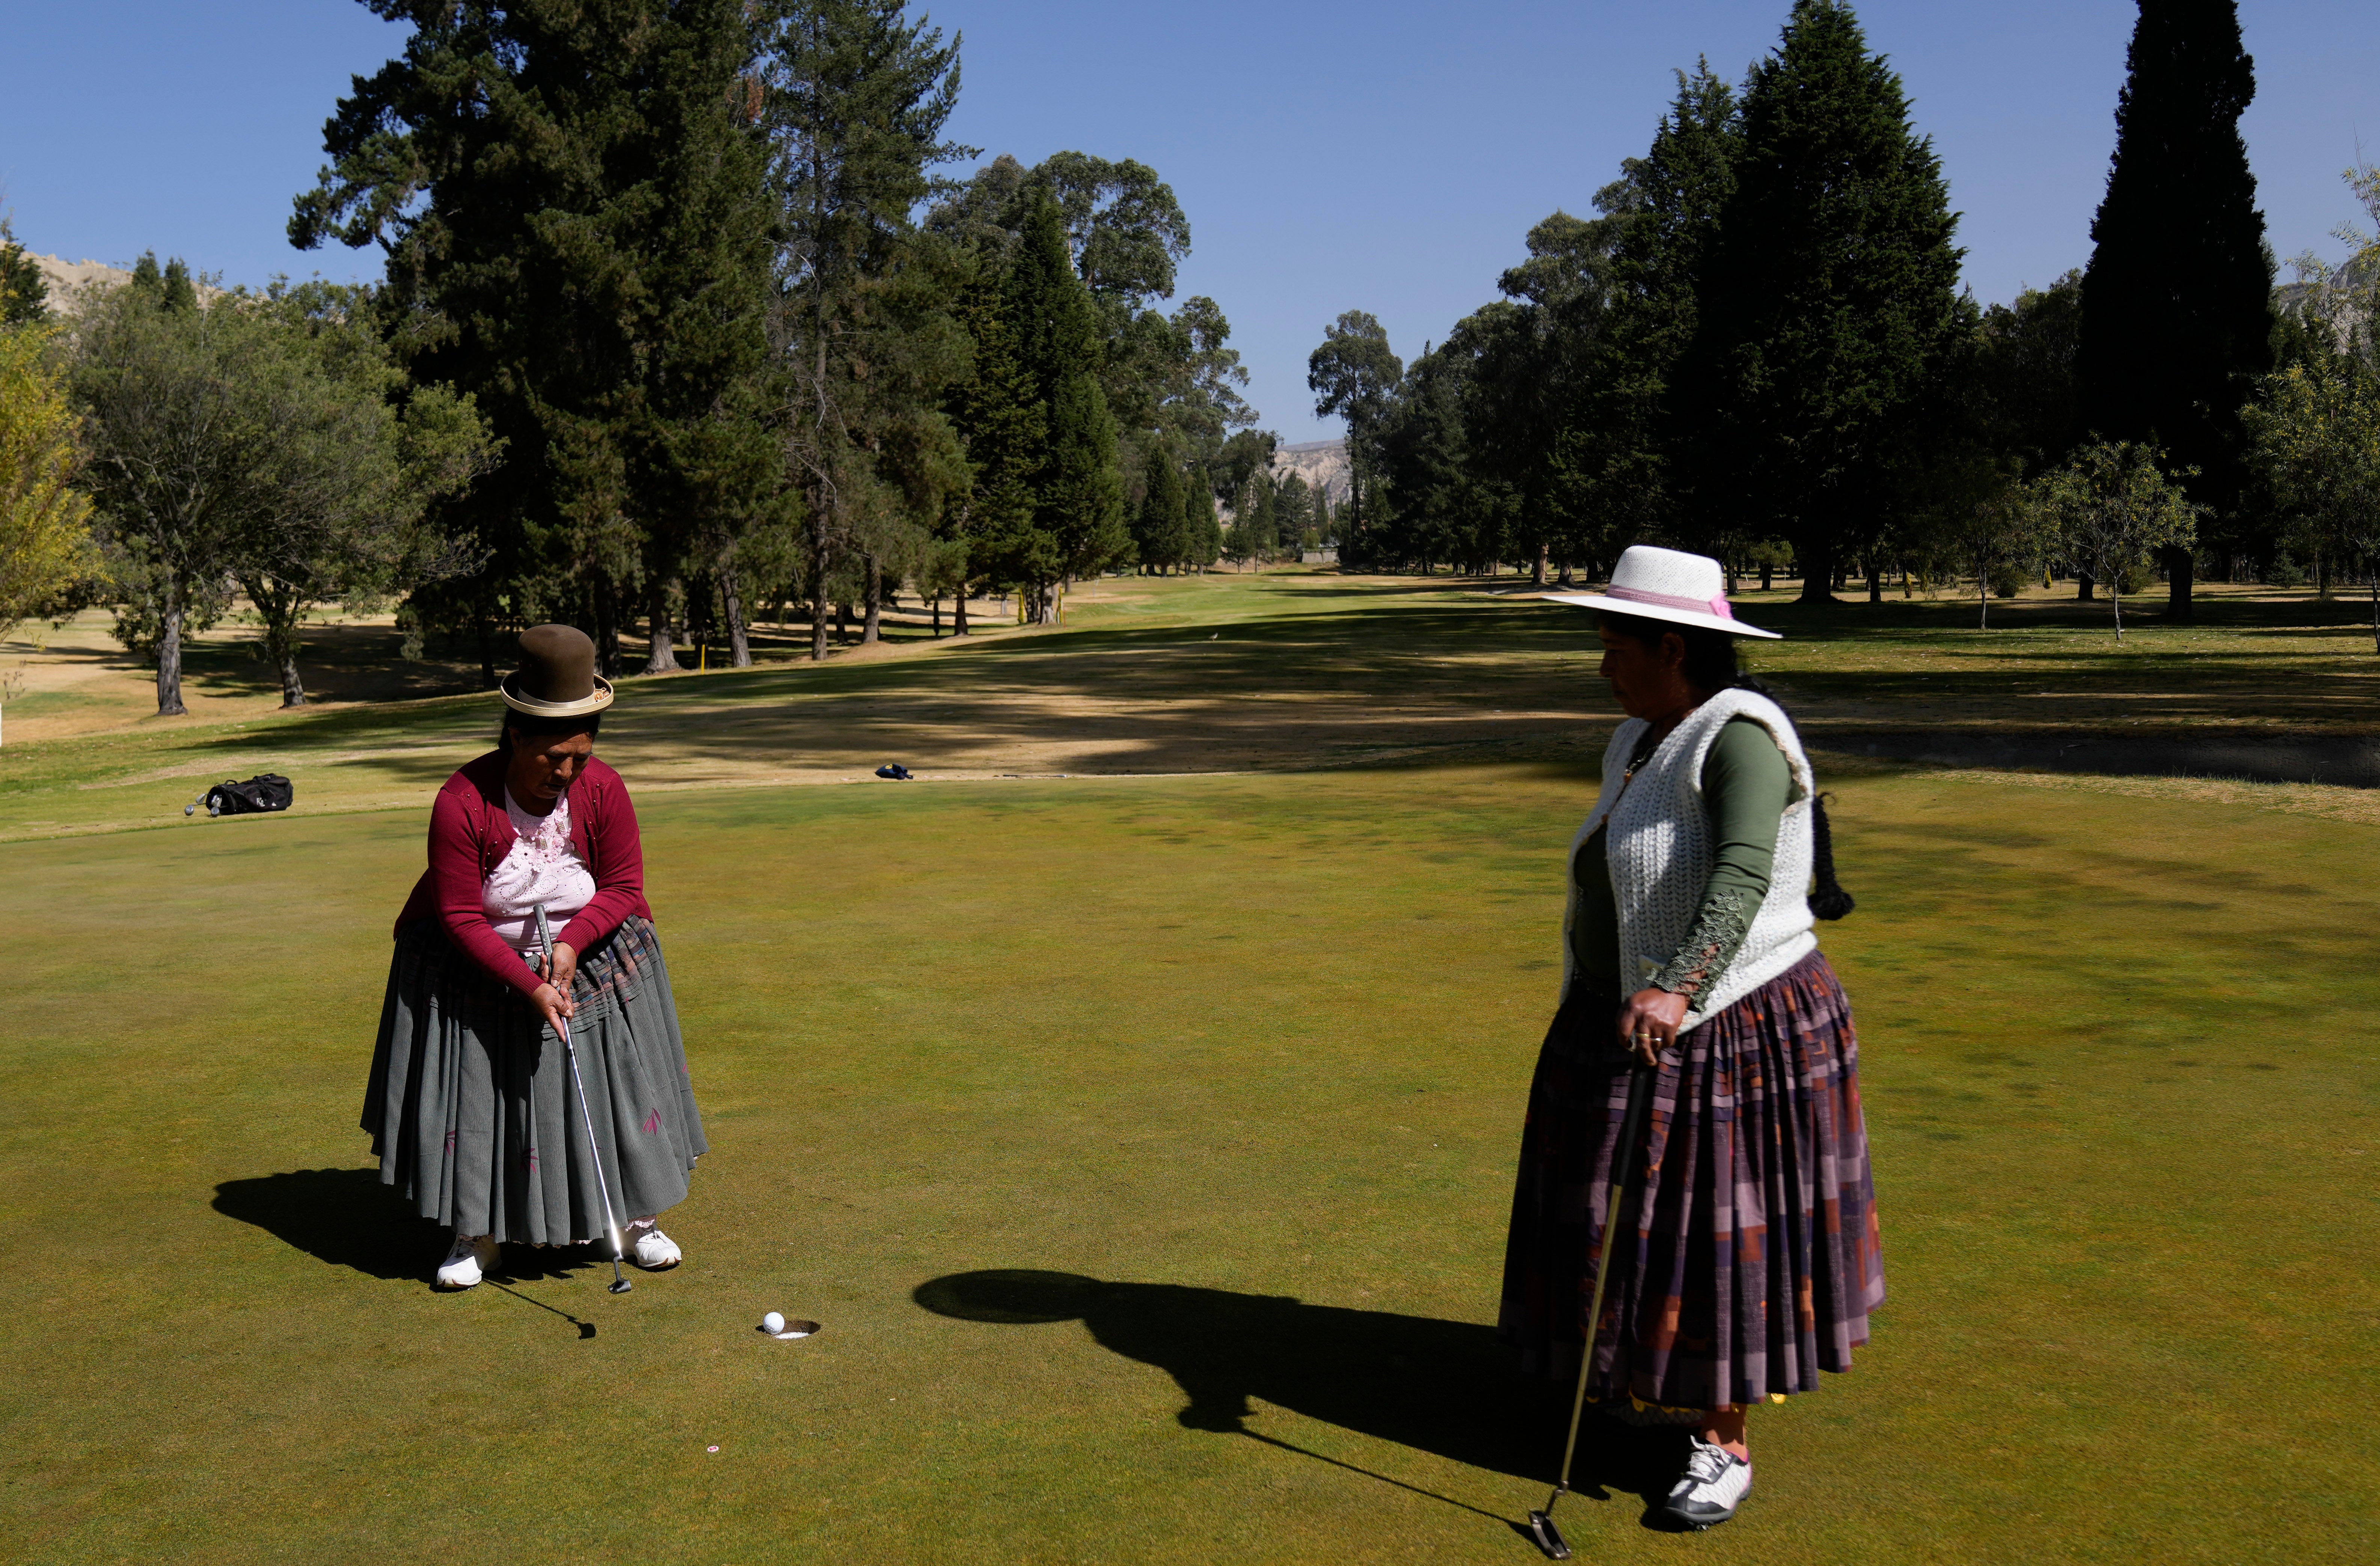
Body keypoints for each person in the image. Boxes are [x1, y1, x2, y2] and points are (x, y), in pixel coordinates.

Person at [1498, 546, 1882, 1531]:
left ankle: (1723, 1440)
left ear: (1671, 645)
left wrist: (1676, 983)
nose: (1601, 663)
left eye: (1614, 642)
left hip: (1731, 1020)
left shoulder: (1741, 733)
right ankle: (1646, 1387)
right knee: (1620, 1217)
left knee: (1715, 1236)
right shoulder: (1637, 735)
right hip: (1624, 1013)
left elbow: (1743, 873)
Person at [362, 624, 707, 1290]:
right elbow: (461, 914)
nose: (567, 772)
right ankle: (476, 1234)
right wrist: (526, 980)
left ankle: (638, 1220)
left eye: (581, 754)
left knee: (616, 1083)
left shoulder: (602, 790)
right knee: (478, 1097)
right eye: (554, 756)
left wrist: (573, 944)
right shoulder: (462, 801)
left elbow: (625, 889)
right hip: (475, 958)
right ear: (516, 735)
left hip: (589, 945)